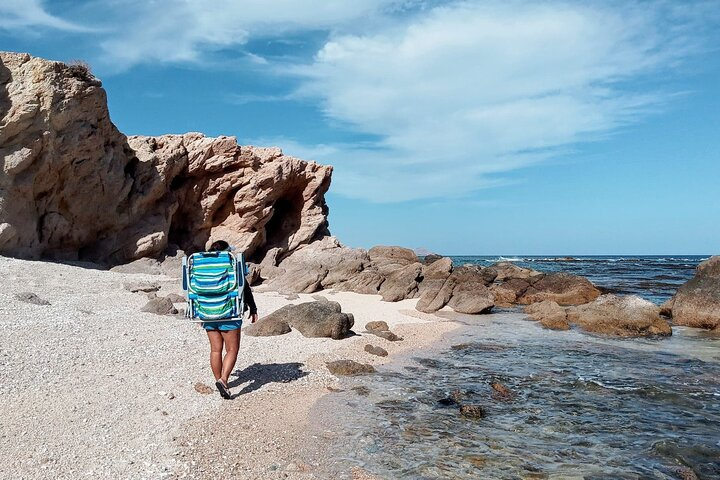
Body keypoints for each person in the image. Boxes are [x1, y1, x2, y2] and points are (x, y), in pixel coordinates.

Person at [202, 240, 258, 399]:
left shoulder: (203, 267)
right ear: (227, 252)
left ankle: (219, 380)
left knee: (215, 349)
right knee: (232, 350)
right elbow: (245, 288)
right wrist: (253, 308)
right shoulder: (232, 265)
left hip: (208, 312)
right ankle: (224, 380)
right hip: (229, 312)